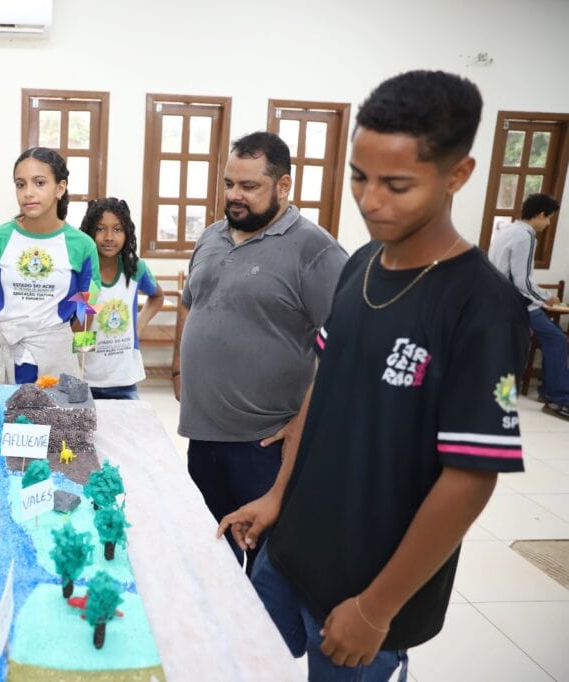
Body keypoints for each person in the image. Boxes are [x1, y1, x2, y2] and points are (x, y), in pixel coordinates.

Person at [220, 70, 529, 681]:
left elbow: (470, 478)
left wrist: (377, 607)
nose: (371, 201)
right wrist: (279, 495)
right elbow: (323, 386)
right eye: (360, 177)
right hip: (292, 553)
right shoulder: (361, 263)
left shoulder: (479, 305)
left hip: (366, 589)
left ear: (457, 175)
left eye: (397, 184)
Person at [171, 131, 347, 569]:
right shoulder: (211, 236)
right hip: (203, 434)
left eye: (249, 187)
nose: (234, 196)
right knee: (212, 557)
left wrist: (302, 427)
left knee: (266, 566)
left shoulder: (315, 250)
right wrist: (179, 369)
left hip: (266, 444)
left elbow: (345, 350)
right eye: (229, 183)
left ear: (283, 186)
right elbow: (192, 304)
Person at [0, 147, 100, 384]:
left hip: (57, 357)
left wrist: (70, 349)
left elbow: (88, 307)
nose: (28, 193)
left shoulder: (82, 245)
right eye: (20, 184)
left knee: (57, 420)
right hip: (7, 356)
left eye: (39, 182)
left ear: (60, 188)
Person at [488, 193, 568, 419]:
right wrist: (546, 297)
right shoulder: (526, 235)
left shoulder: (506, 230)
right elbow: (522, 280)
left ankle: (548, 393)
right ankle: (558, 399)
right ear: (540, 214)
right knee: (556, 339)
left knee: (516, 348)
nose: (549, 223)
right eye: (549, 218)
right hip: (517, 303)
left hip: (499, 300)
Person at [80, 198, 164, 399]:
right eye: (100, 229)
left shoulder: (134, 268)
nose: (109, 237)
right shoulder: (82, 270)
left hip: (124, 380)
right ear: (89, 232)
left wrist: (138, 327)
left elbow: (157, 296)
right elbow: (78, 330)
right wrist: (88, 301)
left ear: (127, 233)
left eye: (117, 229)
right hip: (85, 379)